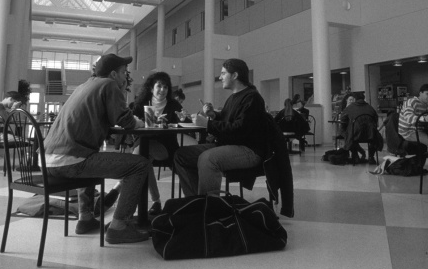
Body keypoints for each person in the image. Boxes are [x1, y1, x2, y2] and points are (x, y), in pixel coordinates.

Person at [43, 53, 150, 245]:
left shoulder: (83, 86)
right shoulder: (109, 85)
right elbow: (125, 121)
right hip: (70, 159)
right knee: (140, 165)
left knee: (90, 154)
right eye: (124, 72)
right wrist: (140, 122)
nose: (126, 76)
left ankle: (85, 218)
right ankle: (119, 227)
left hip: (47, 160)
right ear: (113, 75)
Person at [173, 58, 268, 196]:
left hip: (249, 150)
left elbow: (240, 129)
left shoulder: (252, 98)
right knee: (181, 155)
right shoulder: (234, 97)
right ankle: (196, 202)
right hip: (231, 145)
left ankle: (211, 206)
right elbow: (228, 120)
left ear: (234, 75)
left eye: (223, 73)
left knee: (208, 159)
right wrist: (213, 115)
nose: (220, 77)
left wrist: (208, 124)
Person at [131, 72, 185, 215]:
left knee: (138, 156)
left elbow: (183, 121)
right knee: (143, 160)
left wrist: (181, 119)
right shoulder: (141, 103)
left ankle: (117, 191)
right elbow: (131, 120)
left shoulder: (174, 105)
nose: (162, 90)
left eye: (165, 87)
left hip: (166, 148)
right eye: (159, 86)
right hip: (143, 145)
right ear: (151, 88)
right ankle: (156, 202)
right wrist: (138, 120)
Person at [340, 92, 381, 164]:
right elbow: (376, 120)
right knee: (376, 135)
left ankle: (355, 155)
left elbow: (342, 119)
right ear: (364, 99)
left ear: (355, 99)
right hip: (371, 135)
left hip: (355, 135)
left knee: (346, 133)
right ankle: (371, 156)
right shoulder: (370, 107)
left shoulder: (350, 108)